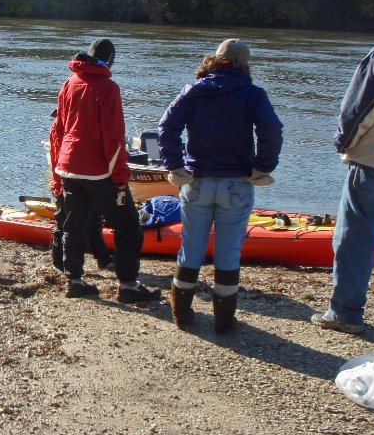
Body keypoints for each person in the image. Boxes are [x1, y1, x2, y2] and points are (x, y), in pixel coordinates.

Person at [158, 39, 283, 333]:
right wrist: (262, 168)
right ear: (244, 64)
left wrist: (175, 166)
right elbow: (272, 131)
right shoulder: (252, 94)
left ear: (215, 60)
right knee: (228, 253)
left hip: (196, 181)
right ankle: (224, 320)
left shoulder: (194, 91)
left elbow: (167, 128)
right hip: (236, 183)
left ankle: (182, 314)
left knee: (191, 249)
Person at [50, 38, 161, 301]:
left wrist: (57, 170)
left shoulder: (69, 84)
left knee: (73, 224)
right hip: (98, 170)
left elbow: (59, 130)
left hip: (69, 166)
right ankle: (128, 286)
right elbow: (113, 138)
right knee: (128, 226)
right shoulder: (108, 88)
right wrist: (121, 178)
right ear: (110, 60)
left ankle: (74, 281)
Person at [312, 17, 374, 335]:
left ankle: (345, 312)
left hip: (373, 162)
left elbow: (359, 109)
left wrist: (343, 143)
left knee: (354, 237)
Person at [48, 108, 114, 273]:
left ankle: (103, 258)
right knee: (64, 221)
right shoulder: (61, 127)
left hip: (82, 176)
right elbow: (57, 156)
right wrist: (58, 184)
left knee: (93, 218)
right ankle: (58, 263)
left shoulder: (76, 125)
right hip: (67, 178)